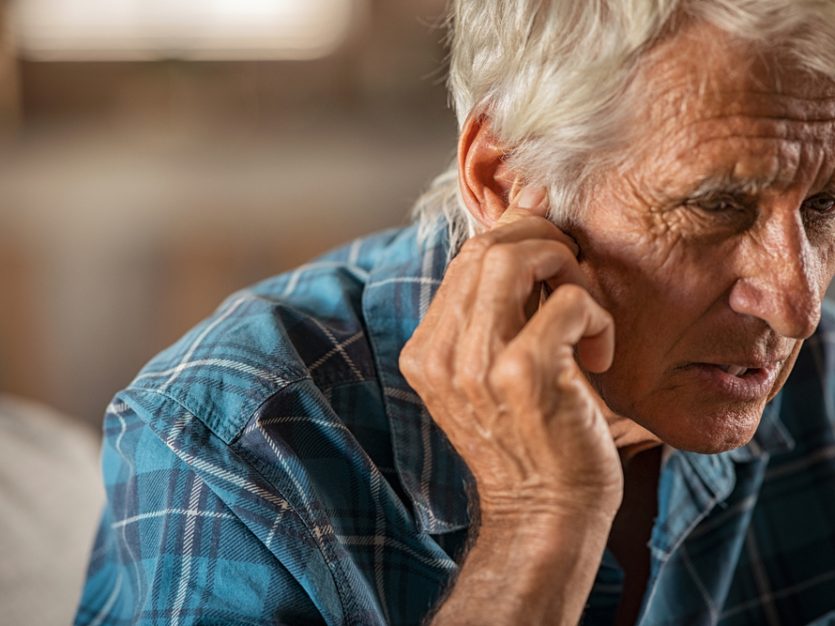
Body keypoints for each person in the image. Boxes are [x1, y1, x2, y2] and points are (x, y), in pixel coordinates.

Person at [75, 1, 835, 625]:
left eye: (824, 206)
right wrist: (540, 518)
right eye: (716, 206)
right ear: (504, 181)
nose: (798, 306)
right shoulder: (233, 440)